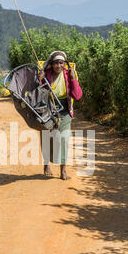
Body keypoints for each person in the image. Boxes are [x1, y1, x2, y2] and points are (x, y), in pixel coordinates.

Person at [38, 50, 83, 180]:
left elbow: (77, 96)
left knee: (64, 138)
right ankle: (47, 164)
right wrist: (40, 81)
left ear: (64, 64)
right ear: (51, 65)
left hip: (64, 109)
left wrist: (73, 79)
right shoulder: (46, 74)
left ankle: (63, 171)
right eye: (56, 63)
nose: (58, 66)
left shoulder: (69, 75)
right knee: (47, 137)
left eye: (61, 63)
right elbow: (38, 95)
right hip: (48, 108)